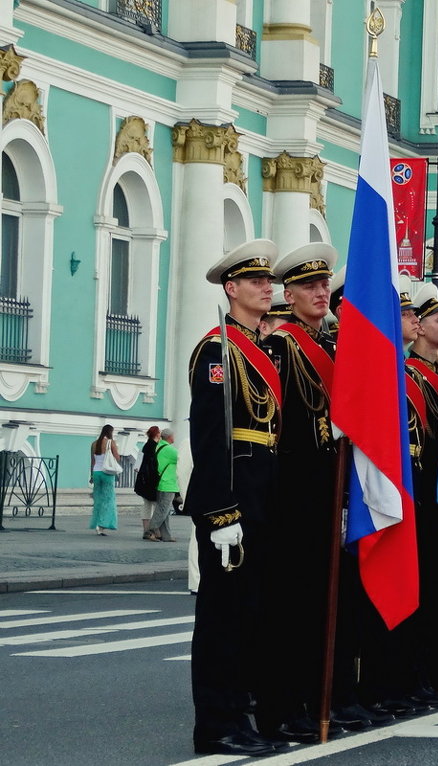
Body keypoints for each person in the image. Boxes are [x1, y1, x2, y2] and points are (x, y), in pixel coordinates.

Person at [188, 239, 282, 757]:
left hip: (261, 493)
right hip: (232, 498)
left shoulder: (260, 349)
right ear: (232, 289)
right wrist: (222, 512)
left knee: (250, 614)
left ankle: (241, 715)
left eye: (269, 281)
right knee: (222, 618)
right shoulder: (217, 351)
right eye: (255, 281)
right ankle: (216, 724)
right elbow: (210, 437)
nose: (267, 288)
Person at [147, 428, 179, 542]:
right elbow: (183, 459)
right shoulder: (169, 449)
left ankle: (166, 536)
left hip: (161, 483)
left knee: (164, 511)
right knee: (163, 510)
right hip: (168, 484)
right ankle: (150, 531)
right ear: (170, 437)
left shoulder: (159, 446)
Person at [88, 424, 120, 536]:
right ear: (110, 432)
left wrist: (91, 476)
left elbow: (92, 462)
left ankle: (97, 523)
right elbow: (117, 457)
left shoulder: (94, 444)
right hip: (107, 473)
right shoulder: (111, 443)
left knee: (98, 499)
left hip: (96, 473)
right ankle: (101, 525)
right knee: (108, 499)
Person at [139, 426, 162, 539]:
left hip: (143, 481)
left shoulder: (146, 445)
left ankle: (146, 530)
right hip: (151, 481)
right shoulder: (155, 447)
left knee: (146, 506)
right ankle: (155, 531)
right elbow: (155, 465)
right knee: (157, 507)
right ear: (157, 434)